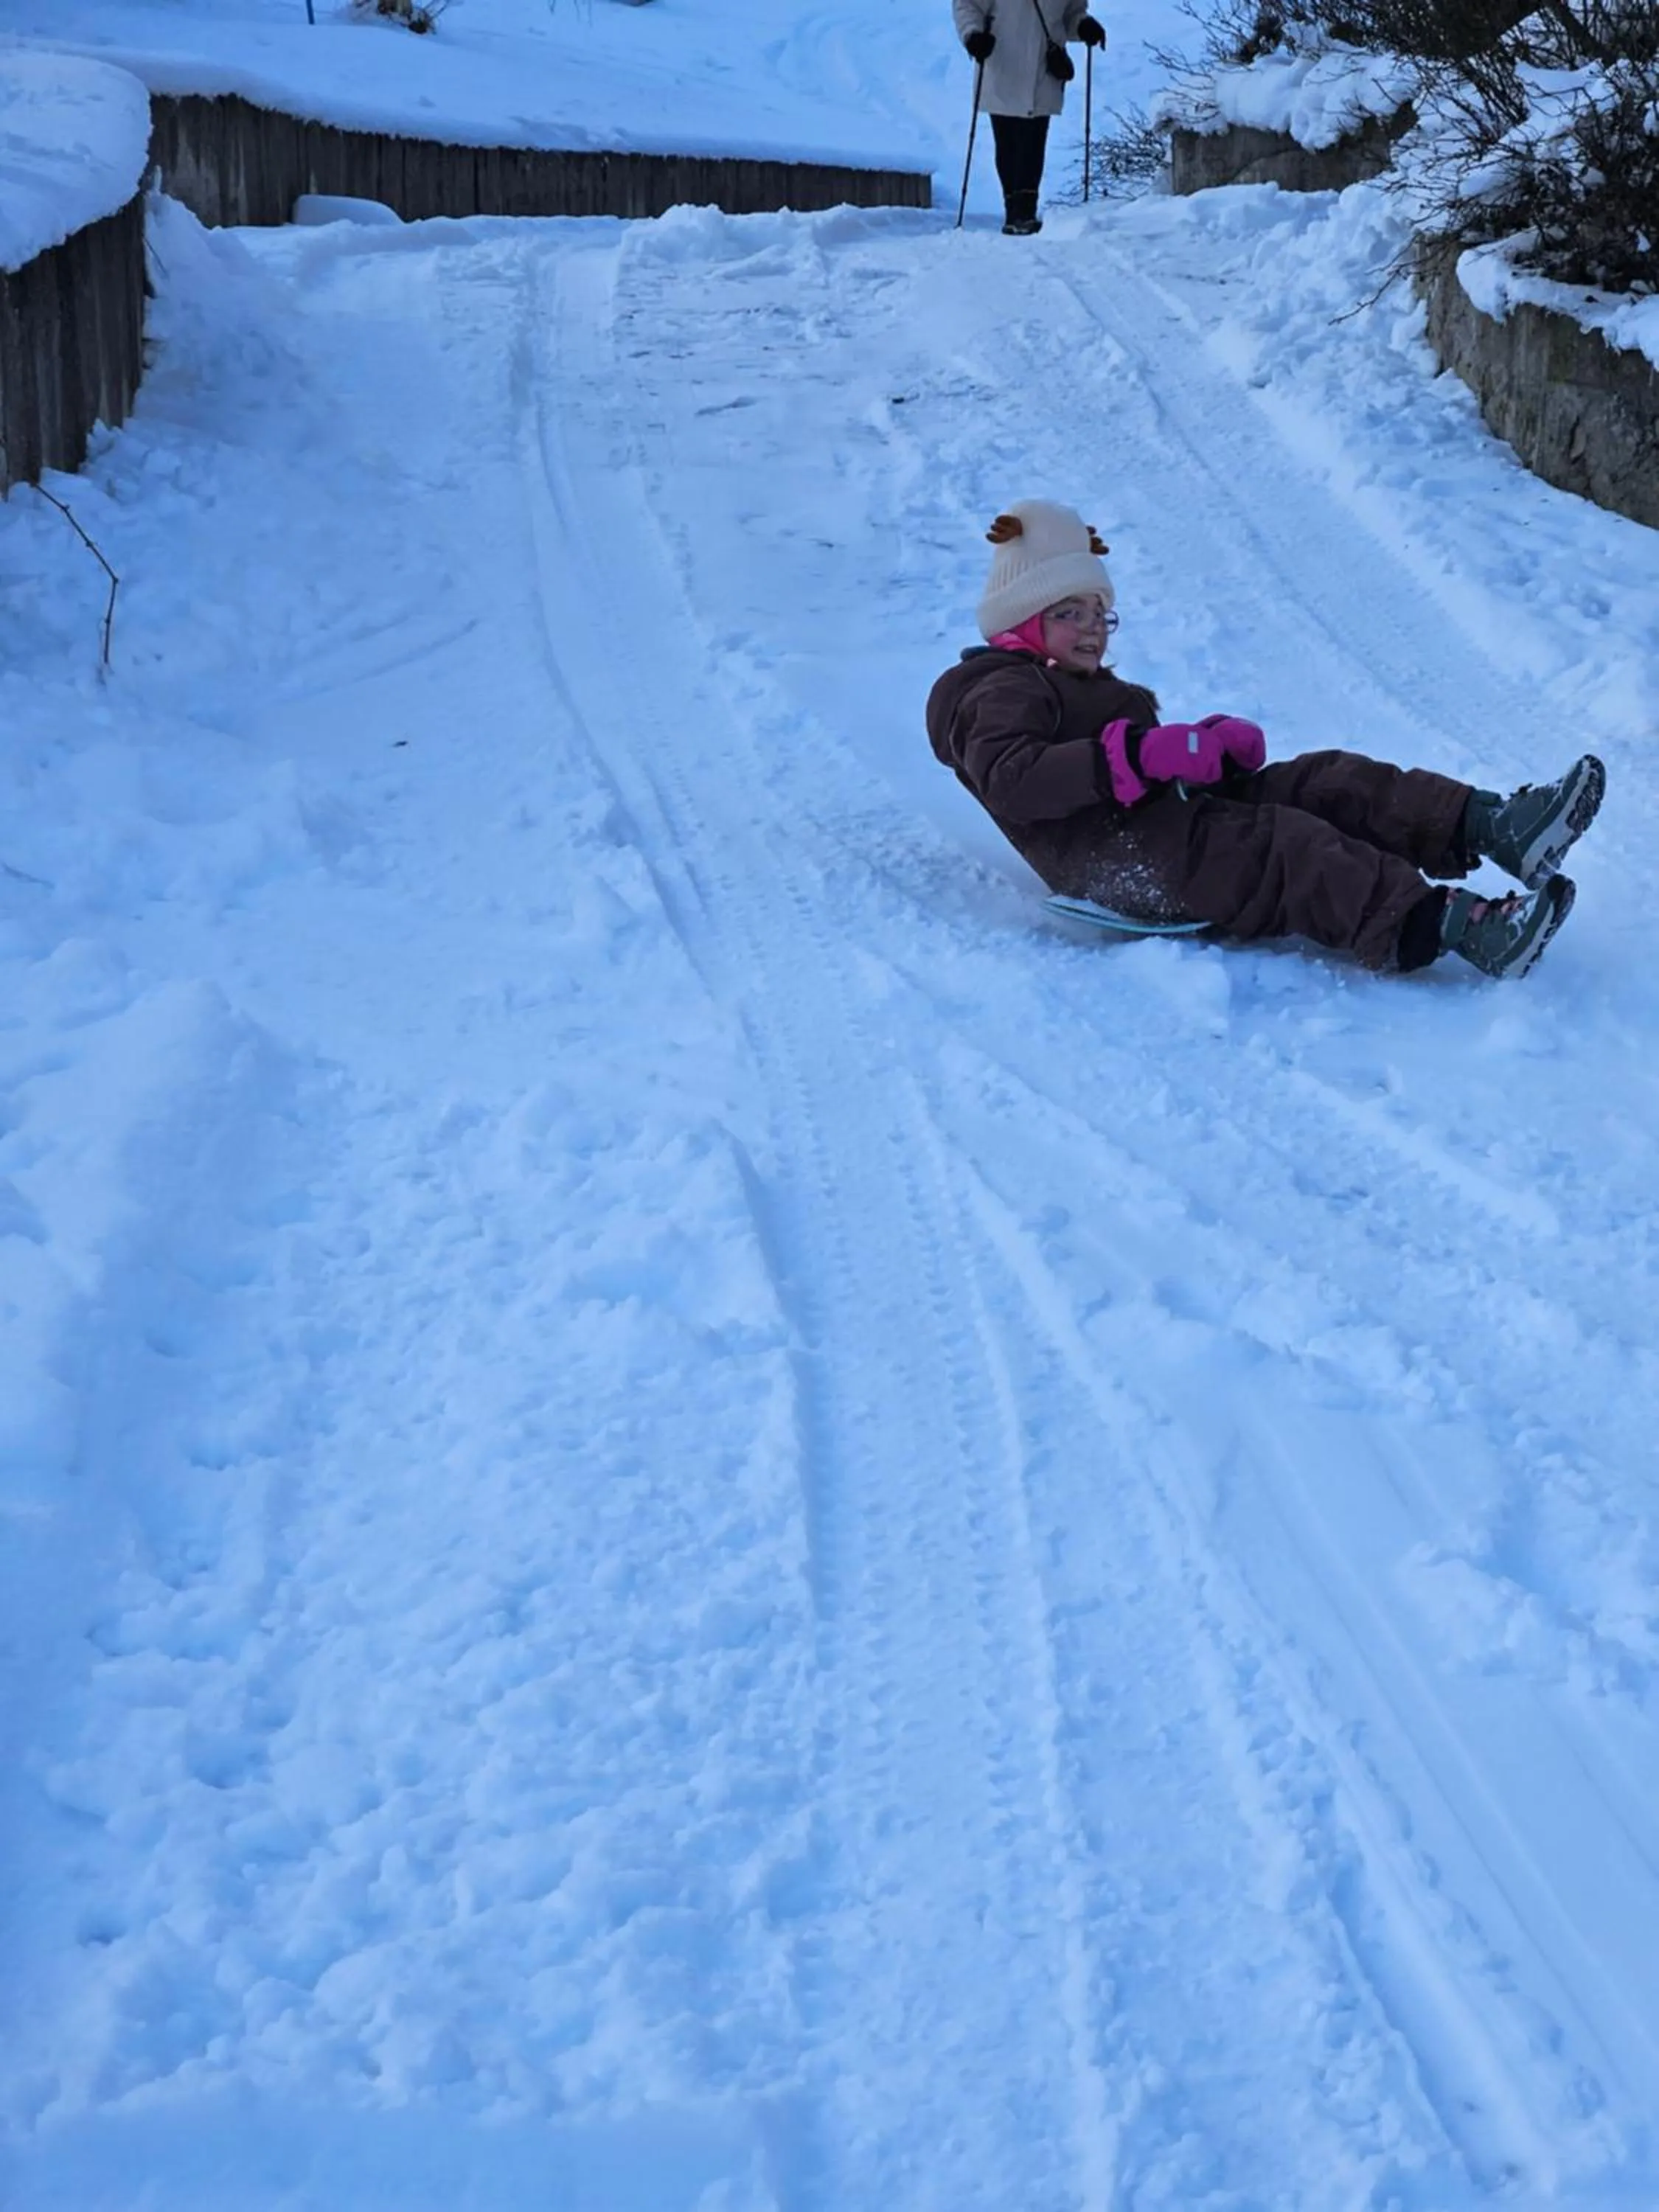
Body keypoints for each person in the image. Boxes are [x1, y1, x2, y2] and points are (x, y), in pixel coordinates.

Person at [925, 499, 1604, 978]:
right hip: (1130, 865)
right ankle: (1464, 928)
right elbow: (1014, 780)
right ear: (1021, 619)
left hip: (1166, 833)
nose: (1093, 627)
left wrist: (1212, 756)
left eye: (1100, 611)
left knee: (1323, 779)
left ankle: (1496, 826)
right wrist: (1136, 754)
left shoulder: (1092, 688)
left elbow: (1140, 773)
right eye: (1069, 612)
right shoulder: (1000, 689)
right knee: (1286, 845)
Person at [955, 0, 1106, 234]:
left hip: (1042, 68)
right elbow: (968, 5)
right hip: (1002, 65)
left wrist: (1084, 25)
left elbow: (1072, 15)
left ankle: (1022, 212)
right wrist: (972, 35)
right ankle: (1018, 211)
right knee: (1011, 141)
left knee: (1032, 141)